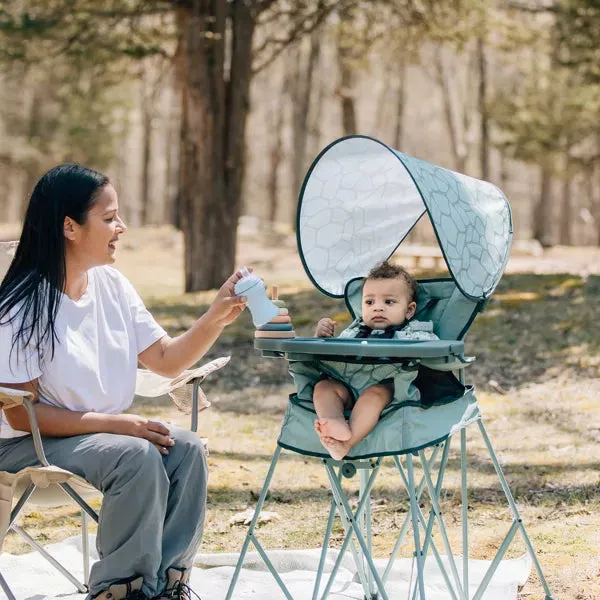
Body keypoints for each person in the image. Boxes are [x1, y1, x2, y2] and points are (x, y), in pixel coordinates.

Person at [0, 164, 248, 600]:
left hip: (95, 442)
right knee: (135, 453)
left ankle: (167, 585)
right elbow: (22, 414)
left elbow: (167, 361)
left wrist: (215, 317)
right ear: (69, 227)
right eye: (110, 217)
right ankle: (121, 590)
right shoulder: (22, 307)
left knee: (185, 447)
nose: (122, 227)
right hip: (28, 445)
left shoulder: (111, 285)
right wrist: (118, 425)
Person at [312, 261, 437, 460]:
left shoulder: (415, 332)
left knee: (373, 395)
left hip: (388, 388)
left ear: (409, 310)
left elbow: (433, 348)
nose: (378, 308)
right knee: (324, 388)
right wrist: (323, 338)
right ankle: (334, 422)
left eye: (389, 302)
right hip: (348, 385)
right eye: (369, 302)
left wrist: (416, 346)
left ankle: (345, 444)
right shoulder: (355, 331)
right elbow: (336, 352)